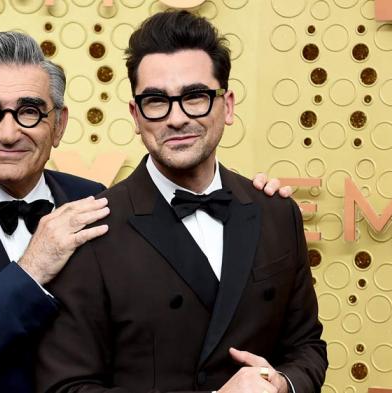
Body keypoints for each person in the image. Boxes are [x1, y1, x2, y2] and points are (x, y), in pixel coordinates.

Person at [0, 31, 291, 393]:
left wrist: (249, 200)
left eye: (30, 111)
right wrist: (30, 271)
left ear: (59, 125)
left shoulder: (95, 200)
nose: (7, 131)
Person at [36, 11, 327, 393]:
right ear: (136, 115)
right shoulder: (92, 230)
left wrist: (282, 385)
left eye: (195, 97)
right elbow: (66, 388)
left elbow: (307, 346)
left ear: (228, 105)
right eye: (157, 101)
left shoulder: (276, 211)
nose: (176, 118)